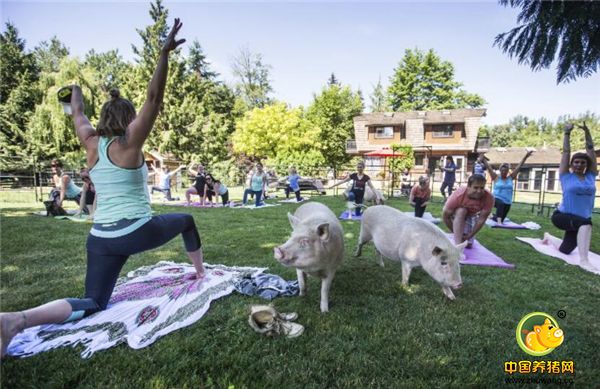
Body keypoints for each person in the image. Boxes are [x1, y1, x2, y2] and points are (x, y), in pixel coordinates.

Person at [0, 19, 205, 358]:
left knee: (94, 301)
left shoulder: (90, 142)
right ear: (128, 119)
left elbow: (76, 110)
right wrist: (164, 55)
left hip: (101, 240)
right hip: (137, 230)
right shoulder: (130, 144)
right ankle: (200, 273)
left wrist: (72, 90)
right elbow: (153, 98)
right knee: (185, 220)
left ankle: (17, 320)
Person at [542, 122, 597, 271]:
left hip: (579, 219)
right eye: (576, 162)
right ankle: (584, 261)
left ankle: (548, 237)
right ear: (571, 164)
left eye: (582, 162)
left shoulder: (591, 176)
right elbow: (566, 152)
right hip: (562, 216)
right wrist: (567, 133)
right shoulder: (566, 176)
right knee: (586, 224)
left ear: (586, 165)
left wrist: (587, 132)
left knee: (565, 250)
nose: (579, 165)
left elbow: (591, 150)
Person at [442, 174, 495, 248]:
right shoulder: (458, 195)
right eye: (476, 187)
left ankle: (462, 238)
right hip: (454, 215)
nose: (479, 191)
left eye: (482, 188)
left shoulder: (489, 198)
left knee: (468, 245)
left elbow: (481, 220)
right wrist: (455, 231)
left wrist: (470, 235)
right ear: (469, 187)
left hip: (471, 215)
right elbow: (445, 216)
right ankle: (458, 247)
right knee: (461, 211)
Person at [481, 150, 534, 223]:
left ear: (508, 171)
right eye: (502, 171)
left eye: (505, 171)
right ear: (500, 170)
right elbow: (489, 168)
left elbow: (519, 166)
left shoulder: (510, 178)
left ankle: (491, 216)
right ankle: (499, 223)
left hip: (508, 201)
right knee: (501, 204)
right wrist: (483, 159)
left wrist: (526, 156)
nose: (504, 172)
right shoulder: (496, 177)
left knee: (501, 218)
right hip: (496, 198)